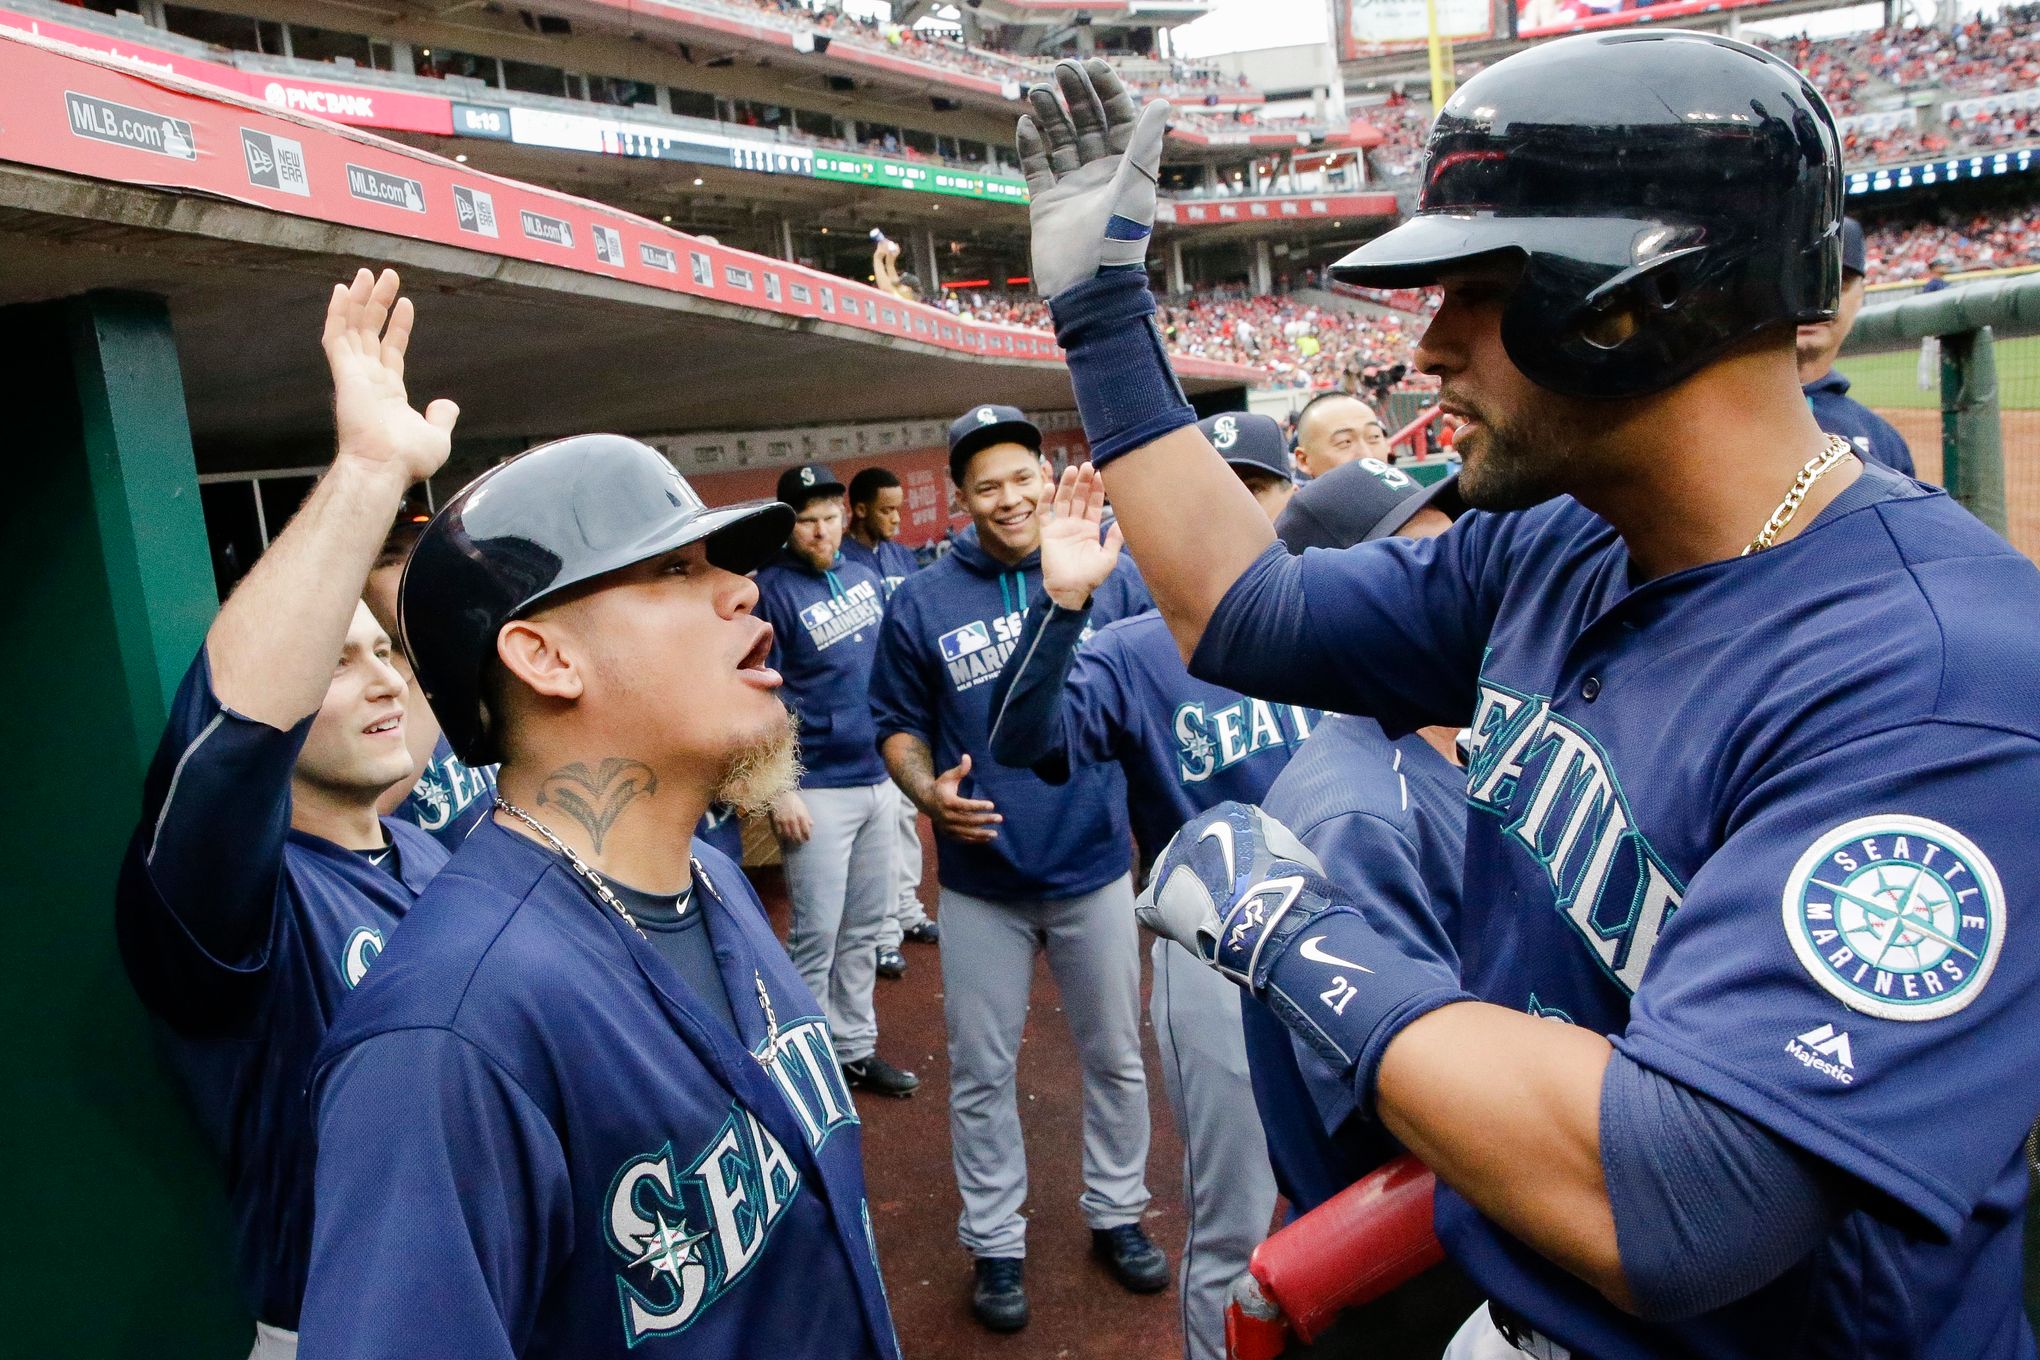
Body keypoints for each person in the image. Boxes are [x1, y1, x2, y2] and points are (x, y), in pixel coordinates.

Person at [1021, 44, 2040, 1358]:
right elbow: (1243, 614)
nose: (1429, 343)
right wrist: (1105, 317)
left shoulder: (1936, 676)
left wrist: (1294, 936)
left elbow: (1683, 1198)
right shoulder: (1567, 537)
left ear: (1626, 304)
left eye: (1477, 291)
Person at [300, 433, 903, 1359]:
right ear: (546, 658)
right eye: (673, 567)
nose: (742, 589)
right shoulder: (445, 1034)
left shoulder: (714, 880)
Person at [113, 267, 455, 1356]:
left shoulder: (436, 853)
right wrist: (364, 472)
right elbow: (228, 741)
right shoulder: (240, 906)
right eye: (336, 662)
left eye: (386, 653)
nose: (380, 678)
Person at [982, 410, 1312, 1360]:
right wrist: (1061, 608)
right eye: (1212, 488)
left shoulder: (1327, 608)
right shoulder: (1132, 647)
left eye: (1255, 486)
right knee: (1240, 1230)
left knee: (1371, 1192)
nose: (1233, 510)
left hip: (1359, 928)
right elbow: (1021, 741)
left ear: (1286, 496)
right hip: (1221, 955)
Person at [867, 401, 1166, 1332]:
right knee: (981, 1072)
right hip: (982, 882)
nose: (1008, 498)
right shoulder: (921, 599)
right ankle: (995, 1242)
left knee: (1118, 1059)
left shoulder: (1109, 578)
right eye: (985, 484)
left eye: (1021, 477)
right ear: (959, 498)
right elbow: (897, 724)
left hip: (1091, 867)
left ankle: (1117, 1213)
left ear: (1049, 478)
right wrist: (927, 795)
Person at [754, 462, 918, 1096]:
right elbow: (758, 697)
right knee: (817, 932)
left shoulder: (863, 574)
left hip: (877, 776)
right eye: (806, 521)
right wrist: (780, 787)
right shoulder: (770, 591)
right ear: (788, 527)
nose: (821, 532)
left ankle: (853, 1048)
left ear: (844, 516)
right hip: (817, 785)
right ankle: (805, 1063)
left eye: (829, 517)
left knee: (866, 928)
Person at [841, 466, 942, 976]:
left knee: (906, 823)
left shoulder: (902, 556)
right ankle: (881, 935)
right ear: (858, 508)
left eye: (900, 508)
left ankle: (906, 913)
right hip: (856, 722)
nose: (897, 519)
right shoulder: (840, 561)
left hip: (900, 709)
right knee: (876, 846)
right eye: (886, 509)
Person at [363, 509, 499, 848]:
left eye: (427, 553)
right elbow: (374, 805)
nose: (418, 570)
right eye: (393, 560)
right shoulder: (349, 698)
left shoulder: (479, 669)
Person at [1799, 217, 1916, 476]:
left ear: (1861, 296)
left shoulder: (1885, 443)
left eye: (1837, 282)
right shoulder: (1702, 423)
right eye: (1798, 278)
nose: (1816, 300)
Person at [1292, 390, 1394, 479]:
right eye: (1345, 442)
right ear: (1304, 460)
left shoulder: (1408, 495)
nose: (1367, 455)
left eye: (1374, 437)